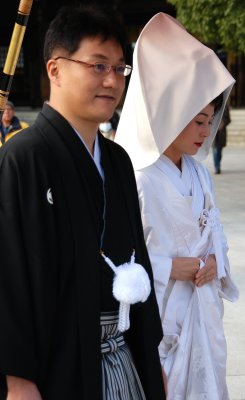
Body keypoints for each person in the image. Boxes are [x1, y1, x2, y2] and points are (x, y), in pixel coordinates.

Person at [0, 5, 166, 400]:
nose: (111, 80)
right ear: (54, 69)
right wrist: (18, 380)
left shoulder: (118, 160)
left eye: (119, 69)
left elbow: (136, 258)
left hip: (123, 357)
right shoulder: (23, 158)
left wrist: (151, 356)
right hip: (57, 366)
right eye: (98, 65)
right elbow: (8, 280)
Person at [115, 13, 239, 400]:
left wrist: (217, 259)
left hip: (202, 313)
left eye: (209, 121)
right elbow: (120, 256)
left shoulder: (200, 175)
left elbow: (215, 232)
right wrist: (169, 267)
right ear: (172, 116)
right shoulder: (138, 177)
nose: (206, 132)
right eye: (198, 121)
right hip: (164, 320)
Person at [212, 103, 231, 174]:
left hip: (221, 133)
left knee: (219, 151)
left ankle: (218, 164)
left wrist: (223, 123)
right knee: (215, 150)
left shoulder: (225, 107)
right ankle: (217, 167)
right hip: (213, 132)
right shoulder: (213, 104)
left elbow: (229, 119)